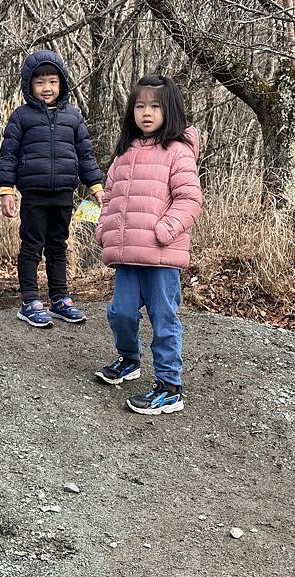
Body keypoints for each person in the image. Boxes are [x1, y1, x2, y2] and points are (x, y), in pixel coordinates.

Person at [94, 74, 202, 415]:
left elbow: (189, 199)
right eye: (140, 106)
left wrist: (165, 229)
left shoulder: (178, 152)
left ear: (169, 111)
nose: (146, 112)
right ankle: (129, 360)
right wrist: (104, 230)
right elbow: (109, 198)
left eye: (155, 106)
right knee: (120, 313)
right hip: (127, 255)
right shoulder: (123, 155)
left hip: (160, 255)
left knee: (163, 318)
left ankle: (170, 386)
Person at [0, 50, 104, 328]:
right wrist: (6, 189)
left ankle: (59, 298)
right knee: (32, 246)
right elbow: (8, 154)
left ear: (62, 84)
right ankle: (30, 301)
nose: (47, 88)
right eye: (40, 82)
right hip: (33, 193)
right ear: (29, 86)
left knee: (58, 246)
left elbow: (85, 155)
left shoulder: (74, 117)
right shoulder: (21, 117)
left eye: (53, 82)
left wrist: (95, 186)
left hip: (63, 194)